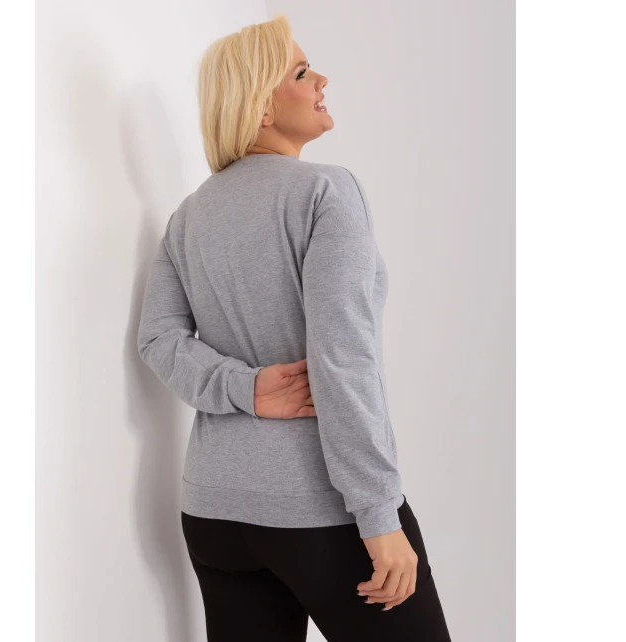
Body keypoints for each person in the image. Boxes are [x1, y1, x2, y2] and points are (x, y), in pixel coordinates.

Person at [137, 12, 452, 642]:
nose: (321, 82)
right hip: (320, 511)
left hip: (216, 515)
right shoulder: (326, 192)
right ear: (259, 105)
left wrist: (242, 388)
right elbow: (343, 357)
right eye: (303, 73)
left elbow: (159, 340)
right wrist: (377, 513)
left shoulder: (188, 216)